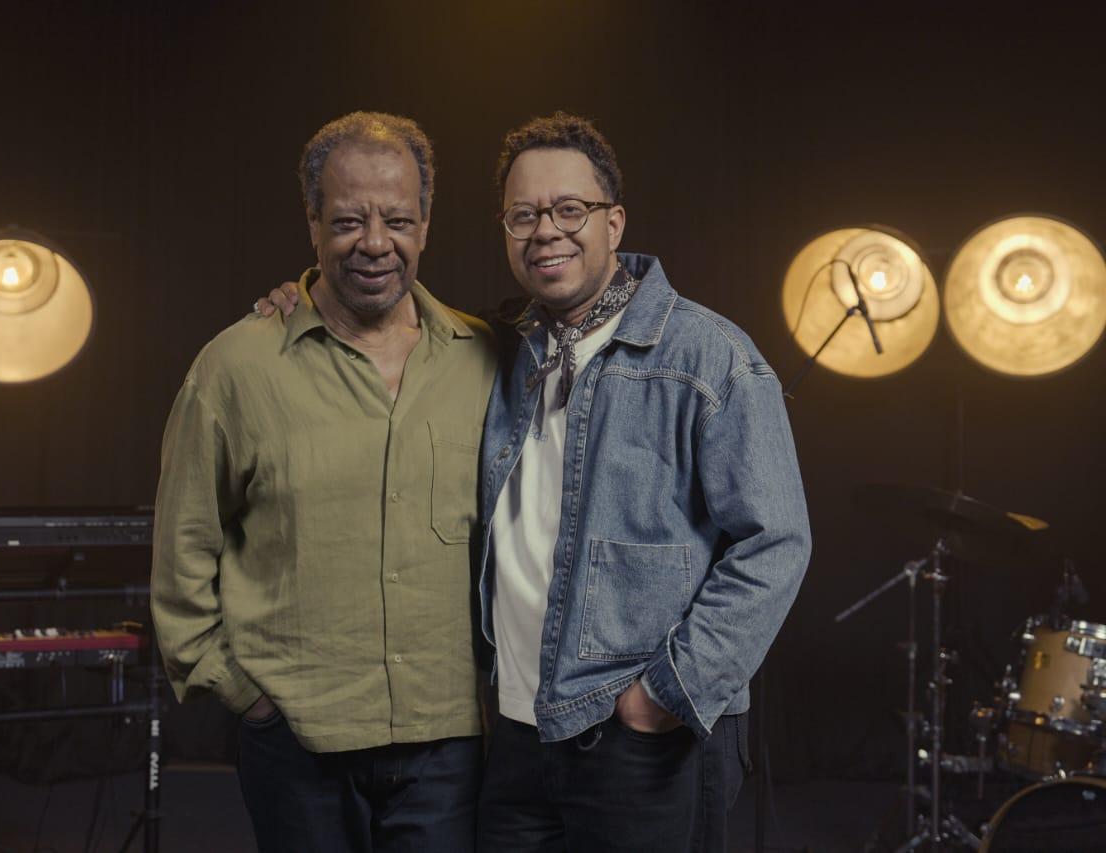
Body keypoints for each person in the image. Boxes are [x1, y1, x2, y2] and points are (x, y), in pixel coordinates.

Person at [258, 111, 811, 852]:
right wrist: (301, 297)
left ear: (614, 223)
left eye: (569, 210)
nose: (545, 229)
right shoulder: (499, 347)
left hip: (643, 739)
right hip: (517, 737)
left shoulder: (709, 358)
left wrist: (664, 696)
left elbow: (776, 541)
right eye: (524, 214)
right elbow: (389, 317)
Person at [151, 111, 496, 853]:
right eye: (347, 220)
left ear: (427, 223)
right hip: (295, 738)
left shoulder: (489, 359)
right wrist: (245, 697)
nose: (375, 243)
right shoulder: (237, 366)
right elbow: (183, 552)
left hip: (448, 742)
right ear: (311, 222)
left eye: (398, 219)